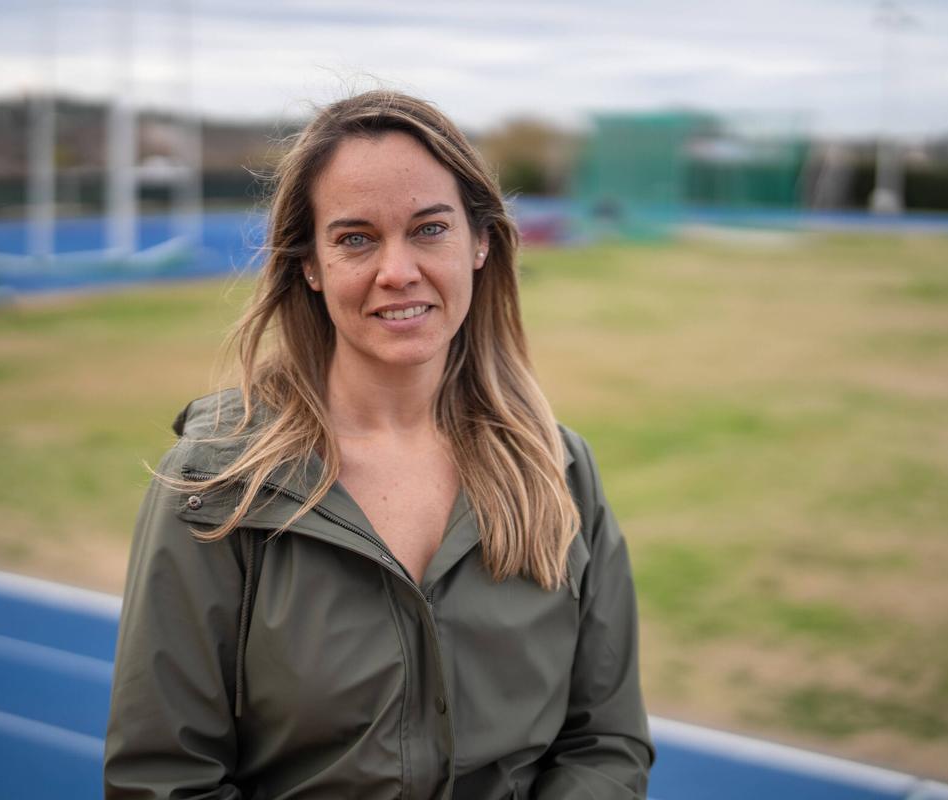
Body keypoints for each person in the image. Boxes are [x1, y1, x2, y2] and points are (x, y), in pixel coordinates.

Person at [104, 90, 653, 799]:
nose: (397, 271)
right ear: (310, 264)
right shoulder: (219, 486)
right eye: (356, 238)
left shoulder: (559, 471)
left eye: (429, 229)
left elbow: (604, 747)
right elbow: (165, 778)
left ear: (480, 242)